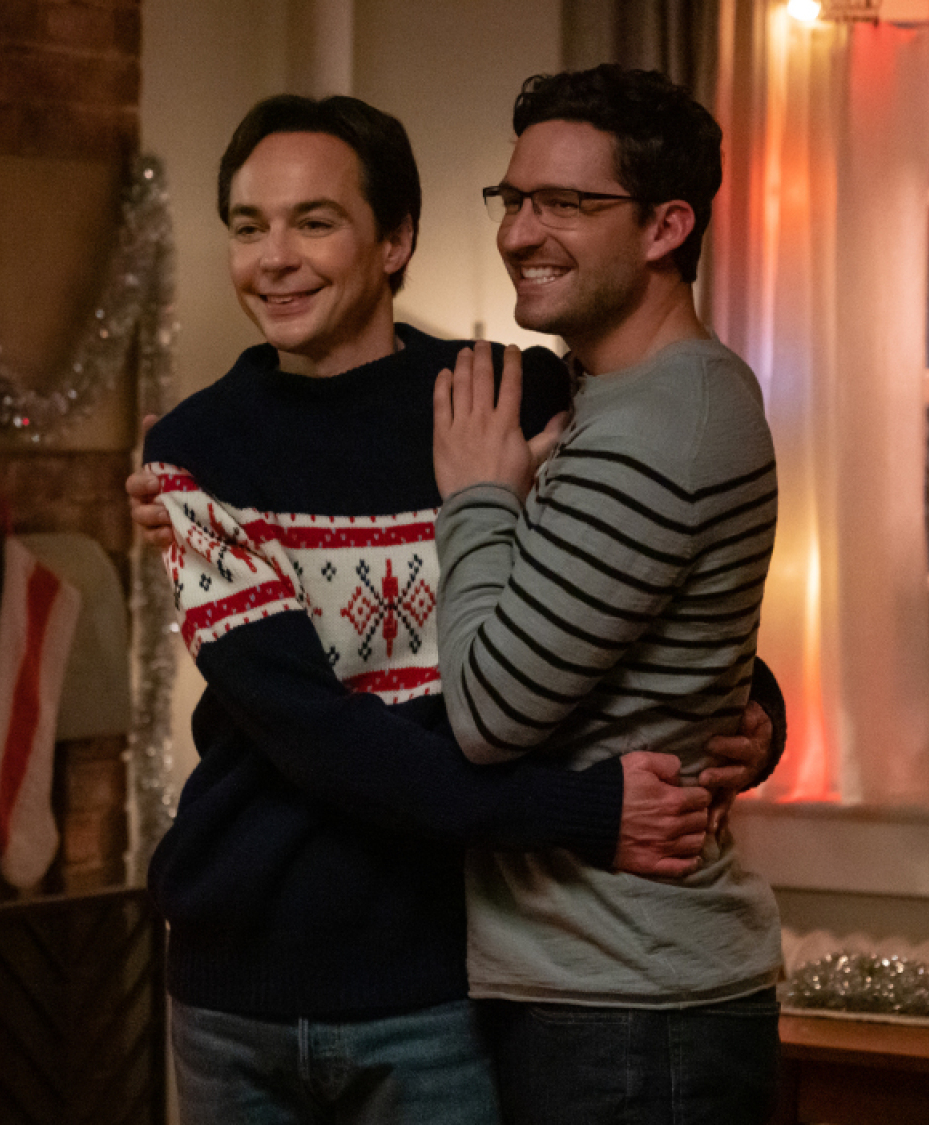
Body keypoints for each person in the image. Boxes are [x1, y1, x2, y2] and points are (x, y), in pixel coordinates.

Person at [128, 92, 784, 1125]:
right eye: (247, 227)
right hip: (235, 977)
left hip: (433, 980)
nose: (275, 259)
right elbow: (315, 734)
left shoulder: (505, 398)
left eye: (314, 221)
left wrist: (749, 707)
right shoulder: (195, 455)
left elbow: (636, 589)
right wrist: (582, 812)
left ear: (395, 241)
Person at [431, 65, 781, 1124]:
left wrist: (480, 499)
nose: (519, 232)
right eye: (512, 198)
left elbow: (488, 716)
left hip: (626, 1003)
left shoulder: (655, 424)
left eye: (566, 205)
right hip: (602, 991)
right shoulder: (625, 399)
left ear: (666, 225)